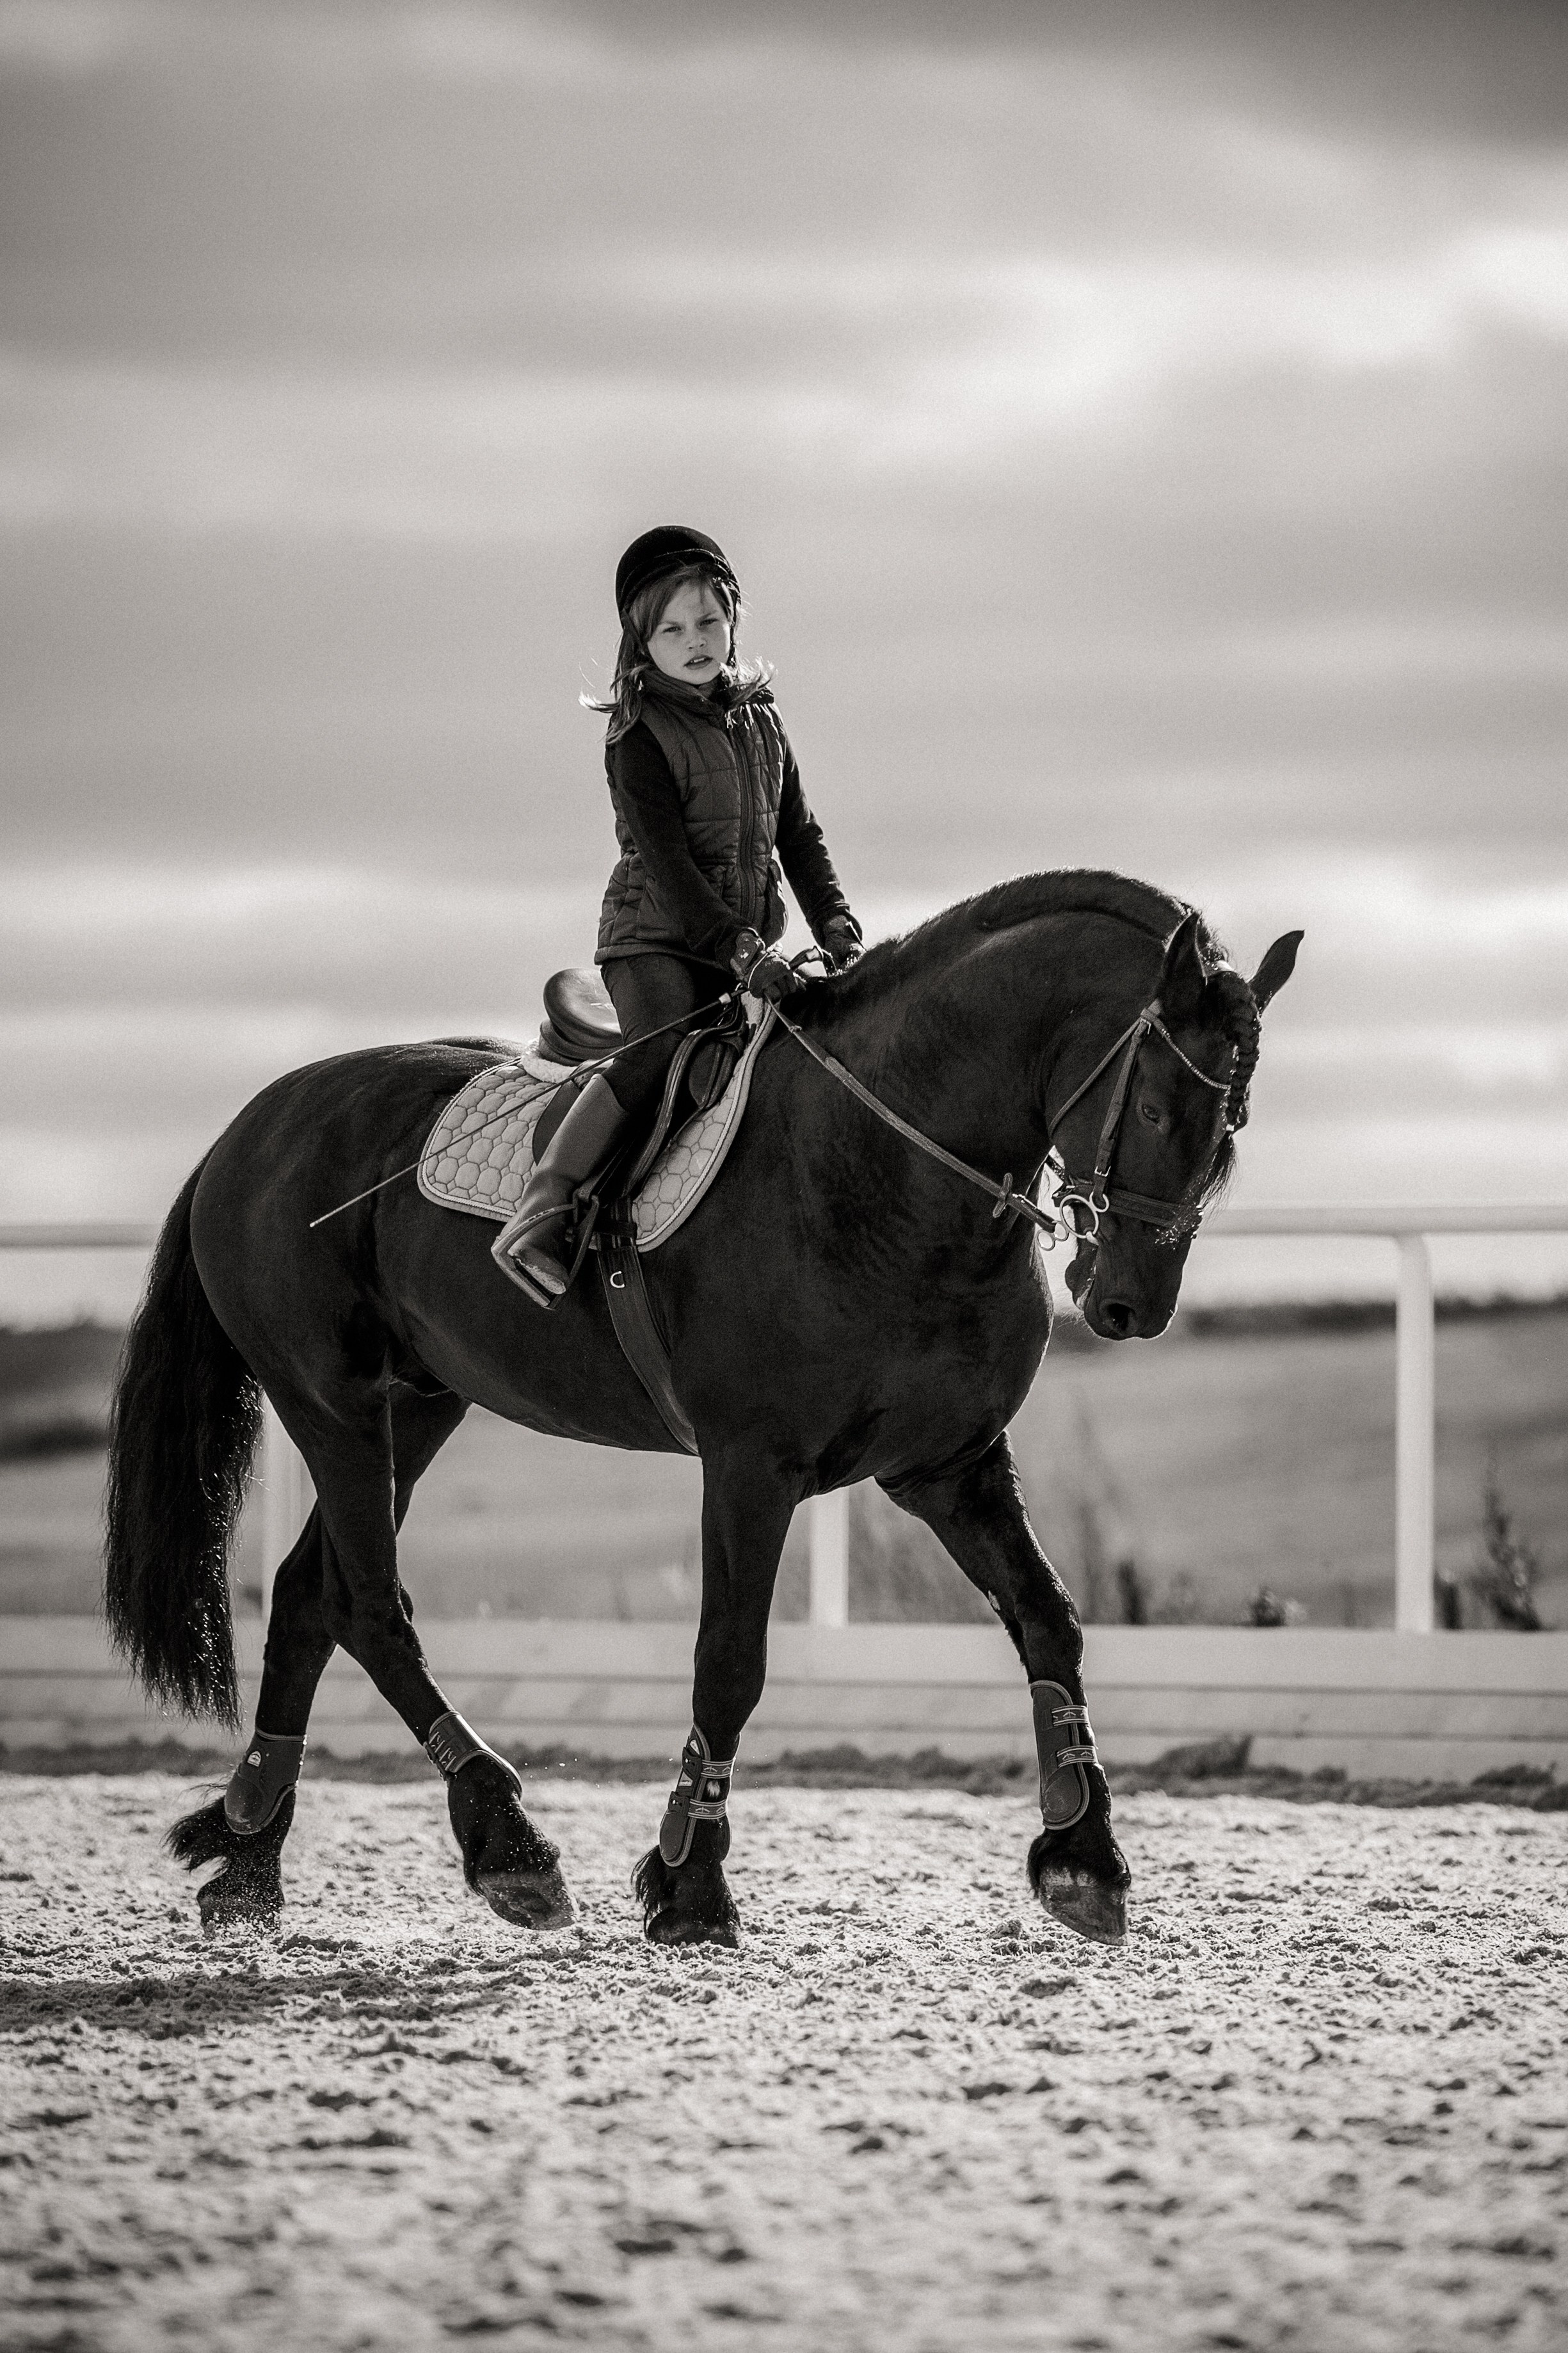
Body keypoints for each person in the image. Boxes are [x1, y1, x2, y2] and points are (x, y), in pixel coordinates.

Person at [492, 524, 862, 1303]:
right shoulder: (635, 737)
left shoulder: (763, 721)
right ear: (640, 639)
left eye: (708, 622)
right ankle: (546, 1206)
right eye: (671, 628)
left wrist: (835, 926)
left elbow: (798, 836)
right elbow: (670, 866)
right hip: (655, 941)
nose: (694, 641)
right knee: (660, 1050)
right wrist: (736, 946)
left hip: (743, 945)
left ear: (732, 620)